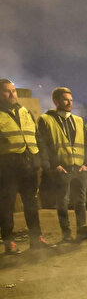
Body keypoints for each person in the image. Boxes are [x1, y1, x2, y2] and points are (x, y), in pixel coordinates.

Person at [37, 87, 87, 242]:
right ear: (56, 101)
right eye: (65, 99)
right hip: (62, 169)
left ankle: (82, 230)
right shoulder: (46, 120)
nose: (69, 103)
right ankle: (66, 235)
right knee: (63, 202)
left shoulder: (78, 121)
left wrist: (86, 163)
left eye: (71, 100)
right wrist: (53, 165)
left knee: (80, 201)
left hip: (79, 168)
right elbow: (43, 145)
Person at [0, 79, 49, 253]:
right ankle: (9, 241)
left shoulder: (26, 112)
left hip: (29, 167)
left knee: (31, 204)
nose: (12, 94)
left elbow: (37, 137)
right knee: (7, 206)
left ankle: (36, 238)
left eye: (13, 90)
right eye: (7, 91)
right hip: (7, 170)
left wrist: (41, 160)